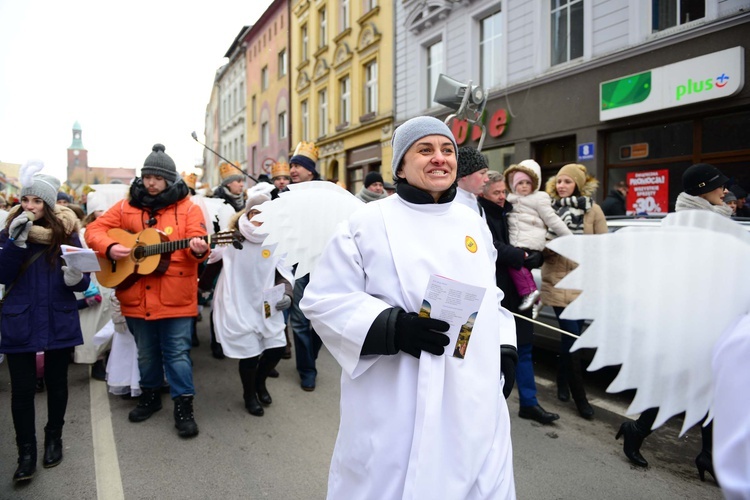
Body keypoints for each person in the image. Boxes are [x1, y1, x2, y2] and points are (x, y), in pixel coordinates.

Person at [301, 116, 517, 498]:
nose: (440, 159)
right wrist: (392, 328)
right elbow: (323, 299)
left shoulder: (472, 222)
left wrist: (504, 346)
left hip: (471, 396)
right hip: (396, 394)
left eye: (447, 150)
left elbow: (491, 295)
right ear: (400, 164)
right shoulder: (365, 223)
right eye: (425, 149)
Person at [85, 144, 209, 438]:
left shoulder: (188, 208)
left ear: (170, 179)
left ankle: (183, 407)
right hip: (135, 296)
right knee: (146, 354)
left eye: (158, 177)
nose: (151, 183)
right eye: (147, 176)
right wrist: (110, 247)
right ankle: (151, 396)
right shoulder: (127, 206)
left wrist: (199, 250)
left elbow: (198, 243)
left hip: (175, 297)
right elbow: (94, 231)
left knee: (177, 354)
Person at [616, 163, 730, 480]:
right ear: (702, 189)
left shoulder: (718, 222)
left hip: (714, 320)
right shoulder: (681, 227)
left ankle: (708, 455)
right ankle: (637, 431)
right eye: (720, 185)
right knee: (677, 387)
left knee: (710, 389)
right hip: (687, 321)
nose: (725, 190)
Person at [0, 166, 90, 483]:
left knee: (57, 384)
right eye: (25, 199)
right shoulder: (10, 230)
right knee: (22, 390)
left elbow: (82, 281)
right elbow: (2, 275)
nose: (29, 206)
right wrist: (15, 244)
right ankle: (26, 451)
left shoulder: (67, 234)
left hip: (57, 316)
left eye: (36, 200)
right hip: (20, 318)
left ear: (48, 205)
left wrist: (76, 277)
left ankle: (55, 437)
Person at [479, 169, 560, 425]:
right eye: (497, 192)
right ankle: (488, 405)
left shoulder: (512, 210)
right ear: (483, 193)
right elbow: (491, 246)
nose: (502, 197)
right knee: (491, 353)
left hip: (519, 293)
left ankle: (529, 402)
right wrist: (521, 256)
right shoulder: (477, 214)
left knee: (524, 348)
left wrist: (537, 255)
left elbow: (531, 237)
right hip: (496, 293)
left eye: (504, 191)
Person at [210, 193, 294, 416]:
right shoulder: (231, 237)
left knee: (276, 349)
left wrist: (287, 293)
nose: (261, 218)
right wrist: (202, 247)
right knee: (249, 355)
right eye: (256, 213)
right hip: (238, 301)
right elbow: (207, 255)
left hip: (266, 303)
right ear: (248, 214)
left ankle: (260, 383)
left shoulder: (277, 239)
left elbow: (285, 272)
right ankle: (249, 394)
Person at [542, 163, 607, 420]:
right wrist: (552, 242)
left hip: (583, 282)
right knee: (572, 336)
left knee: (570, 338)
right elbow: (540, 246)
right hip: (558, 281)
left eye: (567, 181)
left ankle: (561, 380)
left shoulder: (593, 210)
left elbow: (603, 247)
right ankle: (580, 398)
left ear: (578, 184)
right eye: (559, 181)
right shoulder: (549, 210)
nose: (561, 186)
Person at [504, 160, 572, 311]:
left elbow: (552, 219)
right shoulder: (509, 199)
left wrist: (569, 237)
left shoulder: (539, 198)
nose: (524, 186)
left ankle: (530, 292)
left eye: (528, 183)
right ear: (513, 185)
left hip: (530, 240)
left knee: (515, 264)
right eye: (520, 183)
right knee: (518, 267)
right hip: (516, 240)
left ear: (534, 184)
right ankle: (536, 300)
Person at [288, 141, 323, 391]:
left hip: (324, 264)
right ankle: (307, 369)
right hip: (297, 263)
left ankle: (310, 354)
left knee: (322, 319)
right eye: (292, 165)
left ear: (310, 171)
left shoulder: (326, 194)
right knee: (299, 320)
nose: (293, 169)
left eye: (298, 165)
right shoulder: (286, 195)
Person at [454, 146, 489, 215]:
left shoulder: (475, 203)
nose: (487, 179)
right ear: (464, 175)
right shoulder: (449, 206)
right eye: (482, 173)